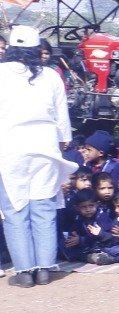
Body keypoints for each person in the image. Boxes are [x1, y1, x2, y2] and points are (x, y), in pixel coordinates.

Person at [0, 25, 75, 287]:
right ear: (36, 49)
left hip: (10, 147)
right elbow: (61, 116)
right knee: (43, 207)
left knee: (15, 208)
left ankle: (24, 272)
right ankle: (45, 268)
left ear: (10, 47)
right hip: (45, 145)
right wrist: (64, 141)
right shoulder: (51, 75)